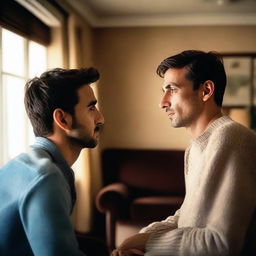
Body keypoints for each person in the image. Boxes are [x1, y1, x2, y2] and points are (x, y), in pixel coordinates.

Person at [112, 50, 256, 256]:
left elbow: (221, 244)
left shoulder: (231, 137)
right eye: (164, 90)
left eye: (172, 89)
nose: (162, 102)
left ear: (206, 90)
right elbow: (187, 216)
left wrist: (149, 242)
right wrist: (136, 241)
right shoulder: (195, 148)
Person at [0, 68, 106, 255]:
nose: (100, 118)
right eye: (91, 108)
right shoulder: (46, 178)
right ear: (62, 119)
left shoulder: (21, 165)